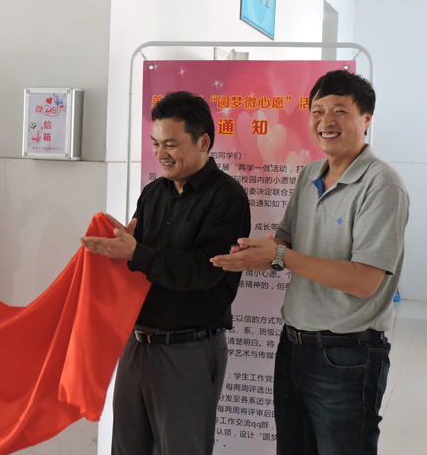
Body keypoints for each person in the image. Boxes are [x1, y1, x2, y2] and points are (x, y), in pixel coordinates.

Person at [211, 69, 408, 455]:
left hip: (347, 355)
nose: (325, 121)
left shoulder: (381, 184)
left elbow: (364, 280)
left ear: (366, 119)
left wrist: (279, 255)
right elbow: (286, 242)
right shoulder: (310, 174)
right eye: (317, 111)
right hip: (293, 345)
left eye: (340, 110)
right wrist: (256, 254)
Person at [81, 91, 251, 455]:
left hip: (187, 349)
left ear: (203, 142)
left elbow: (204, 269)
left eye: (171, 144)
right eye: (156, 143)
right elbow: (137, 259)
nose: (161, 154)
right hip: (137, 344)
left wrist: (136, 252)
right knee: (126, 447)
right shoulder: (152, 193)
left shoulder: (227, 197)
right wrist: (120, 245)